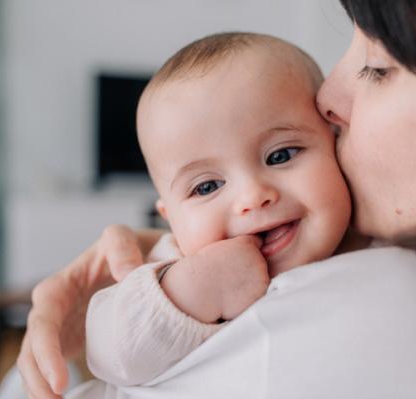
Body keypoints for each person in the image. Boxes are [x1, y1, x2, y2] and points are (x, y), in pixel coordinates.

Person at [15, 0, 416, 398]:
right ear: (168, 212)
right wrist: (179, 288)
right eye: (207, 186)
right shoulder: (180, 262)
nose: (329, 98)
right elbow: (112, 347)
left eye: (379, 67)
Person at [74, 31, 364, 394]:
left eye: (281, 155)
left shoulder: (368, 239)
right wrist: (192, 290)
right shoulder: (175, 262)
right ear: (170, 219)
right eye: (207, 187)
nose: (253, 197)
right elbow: (109, 355)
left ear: (335, 141)